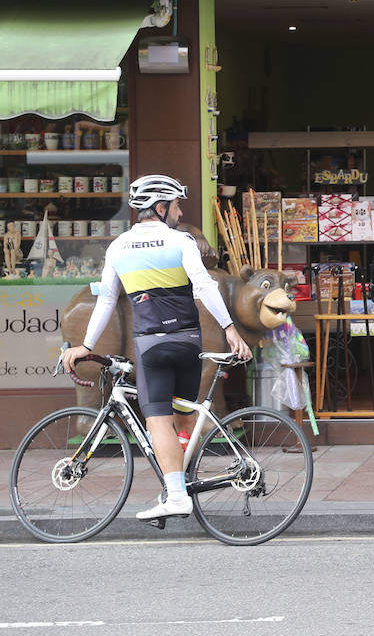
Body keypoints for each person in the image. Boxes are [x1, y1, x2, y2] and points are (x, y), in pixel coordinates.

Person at [58, 174, 252, 523]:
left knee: (158, 419)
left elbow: (105, 301)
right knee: (184, 413)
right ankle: (183, 480)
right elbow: (205, 287)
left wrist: (86, 345)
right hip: (189, 342)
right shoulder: (181, 241)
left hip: (151, 346)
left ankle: (177, 495)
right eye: (176, 206)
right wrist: (230, 330)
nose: (178, 213)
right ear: (160, 207)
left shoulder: (118, 247)